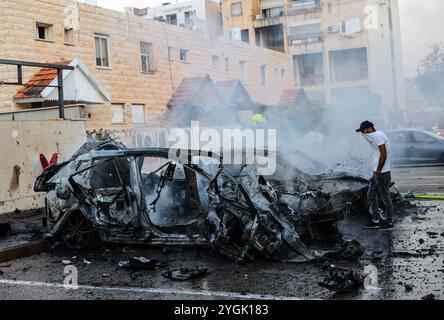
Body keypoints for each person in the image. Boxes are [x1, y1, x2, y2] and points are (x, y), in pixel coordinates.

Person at [356, 121, 394, 230]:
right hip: (376, 173)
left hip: (382, 173)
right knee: (371, 195)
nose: (363, 133)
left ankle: (389, 221)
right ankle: (376, 220)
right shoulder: (374, 135)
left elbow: (384, 153)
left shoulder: (378, 136)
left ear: (369, 129)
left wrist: (379, 169)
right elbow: (377, 152)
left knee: (385, 197)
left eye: (363, 131)